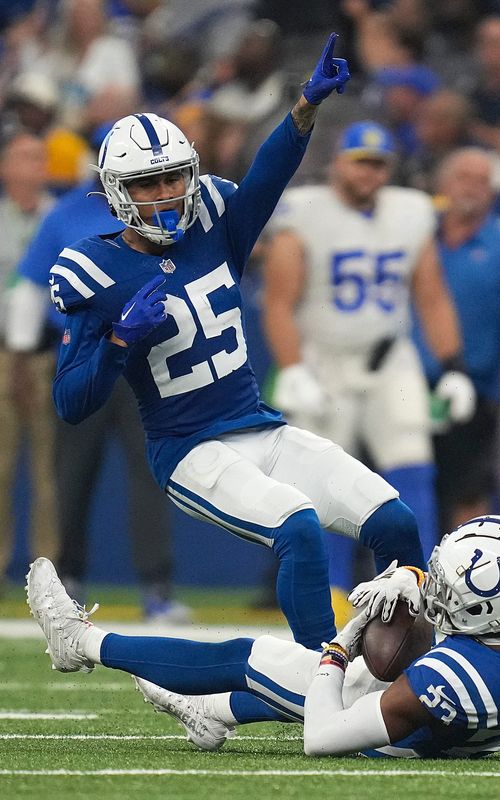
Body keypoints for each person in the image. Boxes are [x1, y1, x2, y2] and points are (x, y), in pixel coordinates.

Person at [45, 34, 426, 653]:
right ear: (117, 192)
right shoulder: (95, 270)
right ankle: (319, 678)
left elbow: (266, 181)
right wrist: (117, 341)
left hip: (260, 428)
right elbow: (70, 401)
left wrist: (304, 108)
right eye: (147, 184)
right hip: (192, 449)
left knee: (396, 521)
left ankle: (413, 662)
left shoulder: (213, 224)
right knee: (298, 528)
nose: (165, 193)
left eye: (172, 177)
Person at [25, 515, 500, 757]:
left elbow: (322, 737)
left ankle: (80, 642)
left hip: (409, 732)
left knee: (248, 657)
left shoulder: (448, 680)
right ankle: (214, 715)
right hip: (491, 715)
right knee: (326, 671)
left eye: (449, 592)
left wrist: (345, 640)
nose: (435, 592)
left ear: (488, 614)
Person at [263, 119, 476, 593]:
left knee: (413, 466)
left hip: (389, 358)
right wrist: (294, 366)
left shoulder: (410, 212)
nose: (370, 174)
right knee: (320, 484)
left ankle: (423, 588)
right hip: (324, 359)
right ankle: (330, 594)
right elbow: (278, 300)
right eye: (361, 162)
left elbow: (432, 295)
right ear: (338, 162)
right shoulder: (305, 212)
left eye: (379, 164)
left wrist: (453, 365)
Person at [7, 132, 184, 622]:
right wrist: (22, 353)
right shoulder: (64, 215)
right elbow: (31, 286)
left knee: (151, 473)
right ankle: (69, 582)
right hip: (86, 353)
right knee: (70, 475)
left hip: (146, 358)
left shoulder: (168, 209)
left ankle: (158, 586)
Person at [413, 147, 500, 535]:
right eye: (465, 177)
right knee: (403, 483)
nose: (474, 188)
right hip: (406, 384)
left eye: (484, 180)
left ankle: (468, 579)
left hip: (476, 389)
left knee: (467, 490)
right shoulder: (417, 236)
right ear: (443, 184)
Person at [0, 129, 57, 589]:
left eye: (39, 157)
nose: (34, 166)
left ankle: (47, 574)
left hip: (48, 353)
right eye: (24, 157)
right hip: (1, 353)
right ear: (5, 167)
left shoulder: (58, 218)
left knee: (47, 470)